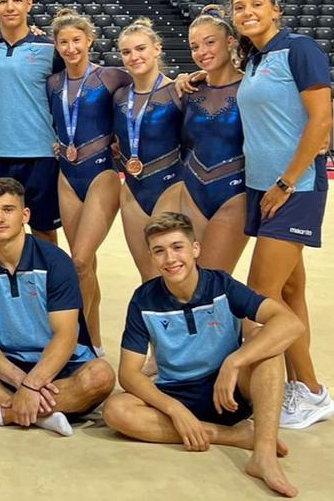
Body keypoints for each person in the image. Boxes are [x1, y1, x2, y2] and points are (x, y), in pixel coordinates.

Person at [103, 212, 302, 498]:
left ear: (195, 249)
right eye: (159, 251)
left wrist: (234, 362)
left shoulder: (221, 285)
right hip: (177, 391)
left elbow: (290, 323)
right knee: (115, 411)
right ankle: (233, 436)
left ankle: (264, 455)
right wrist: (175, 409)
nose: (170, 259)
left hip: (229, 391)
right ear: (152, 257)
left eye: (177, 247)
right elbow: (129, 374)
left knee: (266, 344)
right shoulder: (143, 300)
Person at [229, 0, 334, 430]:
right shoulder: (253, 59)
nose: (247, 11)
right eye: (238, 7)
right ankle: (310, 390)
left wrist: (287, 182)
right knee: (291, 292)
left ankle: (293, 389)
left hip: (293, 189)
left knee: (261, 297)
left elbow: (322, 122)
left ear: (276, 9)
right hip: (262, 188)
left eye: (256, 4)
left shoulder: (300, 50)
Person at [0, 177, 114, 436]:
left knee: (101, 376)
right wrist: (23, 383)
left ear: (25, 215)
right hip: (10, 364)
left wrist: (34, 383)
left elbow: (66, 335)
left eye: (8, 210)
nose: (0, 219)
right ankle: (42, 414)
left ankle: (1, 413)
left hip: (62, 362)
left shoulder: (55, 261)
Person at [45, 8, 129, 350]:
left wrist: (183, 81)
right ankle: (93, 340)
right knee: (85, 263)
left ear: (90, 40)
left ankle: (75, 341)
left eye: (76, 40)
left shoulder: (112, 76)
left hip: (101, 174)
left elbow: (150, 86)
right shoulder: (53, 83)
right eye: (63, 42)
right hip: (67, 174)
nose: (70, 48)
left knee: (78, 260)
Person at [0, 0, 62, 244]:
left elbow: (72, 91)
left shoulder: (50, 48)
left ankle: (47, 285)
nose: (10, 7)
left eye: (17, 0)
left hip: (40, 154)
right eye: (3, 0)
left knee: (44, 230)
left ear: (29, 3)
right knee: (1, 231)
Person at [113, 18, 185, 282]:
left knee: (172, 271)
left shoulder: (179, 90)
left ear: (157, 48)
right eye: (127, 52)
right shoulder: (120, 96)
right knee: (148, 275)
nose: (134, 56)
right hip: (132, 190)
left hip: (170, 186)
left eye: (141, 48)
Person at [177, 5, 249, 272]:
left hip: (235, 193)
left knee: (214, 278)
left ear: (230, 42)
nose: (202, 52)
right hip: (192, 192)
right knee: (193, 276)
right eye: (195, 47)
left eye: (210, 43)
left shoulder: (250, 88)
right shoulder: (188, 90)